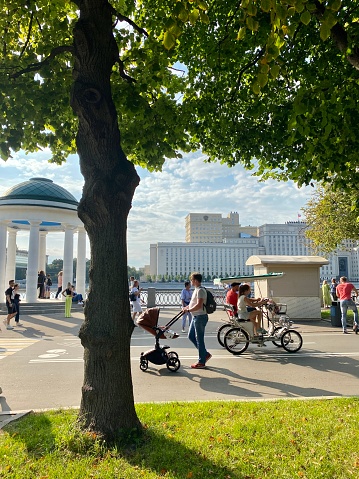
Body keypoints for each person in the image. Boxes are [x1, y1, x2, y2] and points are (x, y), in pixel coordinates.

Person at [182, 272, 211, 369]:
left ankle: (201, 361)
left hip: (200, 317)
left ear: (195, 280)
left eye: (192, 279)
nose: (191, 281)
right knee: (191, 336)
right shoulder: (196, 290)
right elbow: (193, 303)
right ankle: (205, 354)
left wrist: (189, 310)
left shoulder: (201, 291)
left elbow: (199, 305)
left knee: (200, 340)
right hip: (196, 317)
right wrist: (186, 307)